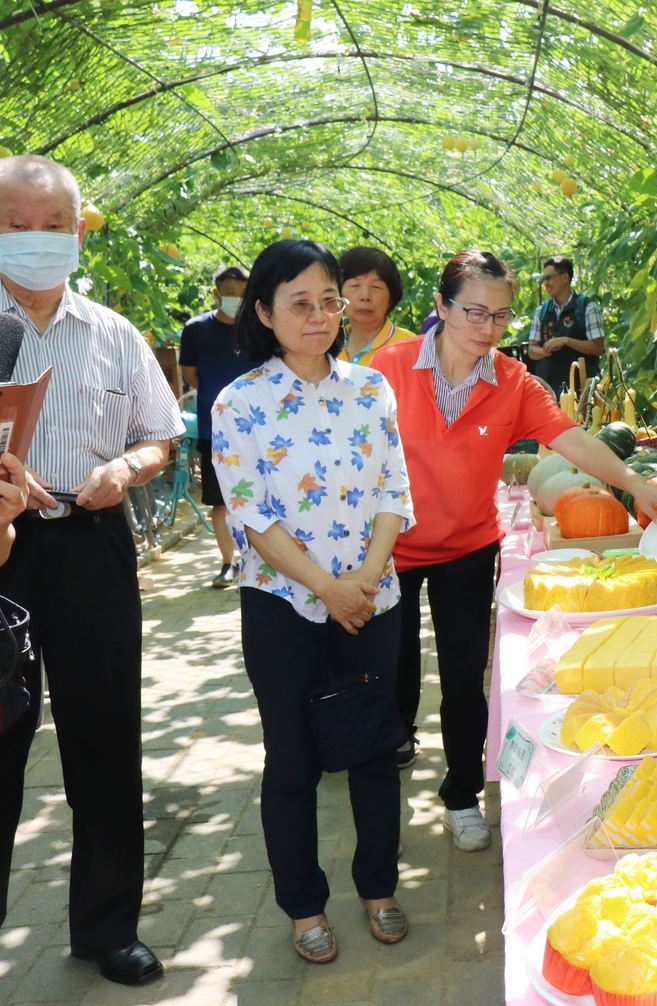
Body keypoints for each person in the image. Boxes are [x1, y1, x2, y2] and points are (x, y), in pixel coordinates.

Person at [371, 250, 657, 849]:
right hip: (387, 550)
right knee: (386, 674)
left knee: (466, 681)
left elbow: (571, 438)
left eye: (500, 317)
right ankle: (379, 784)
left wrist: (636, 484)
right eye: (472, 312)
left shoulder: (512, 381)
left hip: (466, 547)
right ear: (440, 307)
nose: (486, 328)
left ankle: (463, 794)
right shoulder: (386, 369)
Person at [0, 154, 184, 986]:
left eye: (52, 226)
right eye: (15, 224)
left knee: (105, 736)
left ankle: (107, 928)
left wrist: (131, 470)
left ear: (78, 232)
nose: (36, 242)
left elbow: (159, 434)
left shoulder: (113, 333)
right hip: (2, 546)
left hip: (91, 539)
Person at [211, 238, 413, 963]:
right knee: (291, 760)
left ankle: (379, 887)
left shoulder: (370, 389)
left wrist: (363, 580)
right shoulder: (240, 402)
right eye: (301, 302)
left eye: (329, 299)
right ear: (263, 312)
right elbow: (253, 516)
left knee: (373, 750)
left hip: (370, 599)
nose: (322, 314)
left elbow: (394, 489)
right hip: (283, 607)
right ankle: (303, 906)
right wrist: (327, 589)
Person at [179, 264, 249, 588]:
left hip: (256, 429)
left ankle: (258, 562)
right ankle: (227, 562)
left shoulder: (257, 328)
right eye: (231, 293)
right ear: (216, 293)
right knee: (221, 502)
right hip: (215, 430)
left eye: (242, 294)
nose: (236, 299)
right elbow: (191, 375)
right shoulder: (196, 329)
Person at [527, 254, 603, 397]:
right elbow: (532, 350)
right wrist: (546, 351)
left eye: (549, 278)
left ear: (565, 277)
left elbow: (598, 348)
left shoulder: (587, 307)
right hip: (546, 394)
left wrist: (566, 341)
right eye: (544, 279)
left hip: (580, 395)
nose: (546, 283)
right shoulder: (541, 311)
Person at [337, 246, 418, 366]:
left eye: (376, 287)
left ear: (391, 298)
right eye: (355, 285)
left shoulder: (411, 347)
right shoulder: (327, 343)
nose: (365, 296)